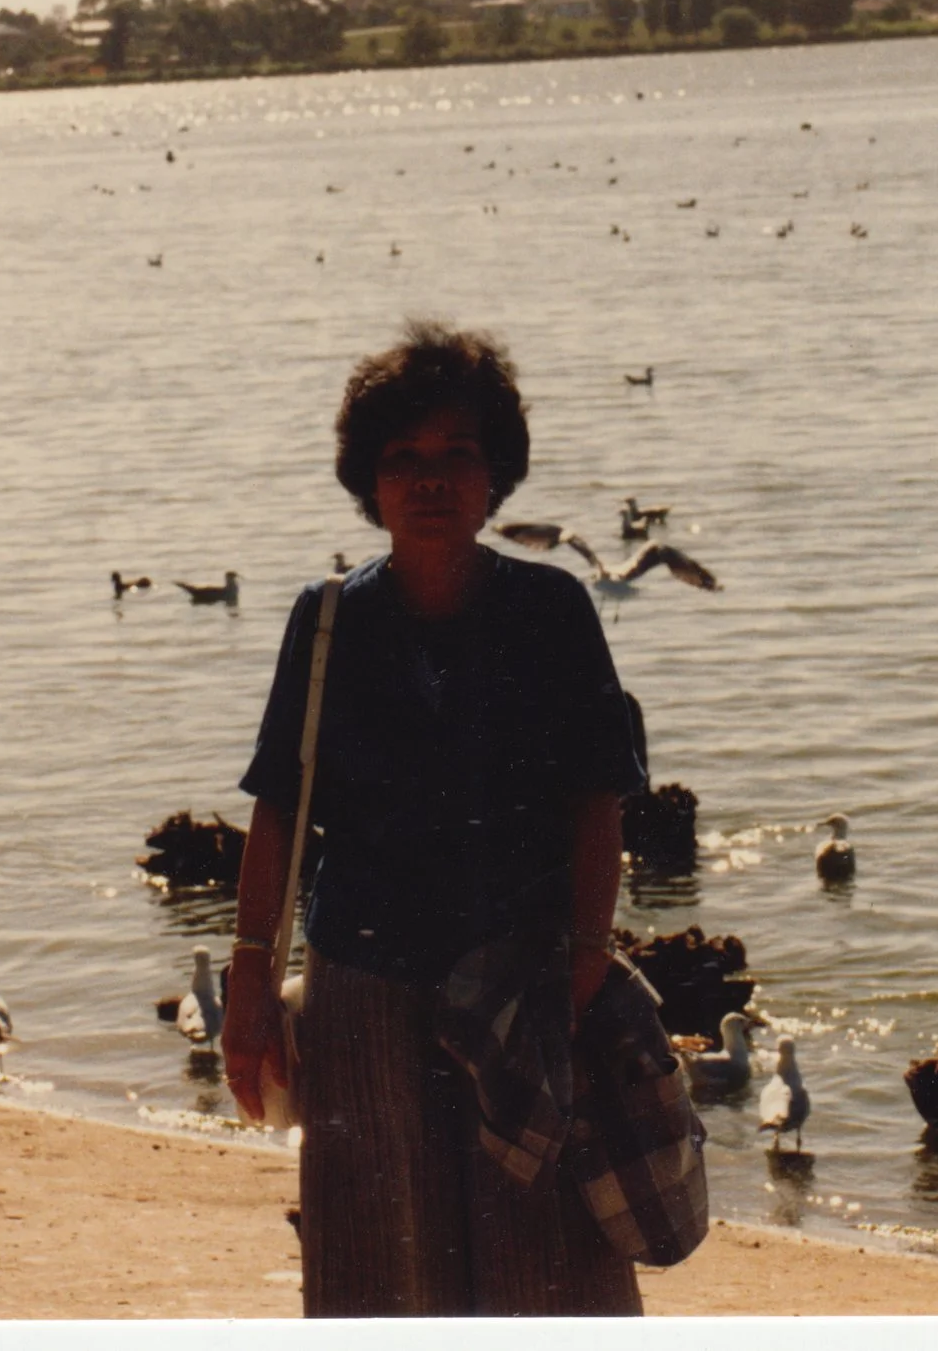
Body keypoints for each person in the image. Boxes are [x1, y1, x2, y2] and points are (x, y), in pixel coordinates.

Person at [223, 320, 646, 1316]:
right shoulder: (327, 621)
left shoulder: (552, 611)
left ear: (494, 475)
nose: (428, 480)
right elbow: (277, 810)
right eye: (402, 459)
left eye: (455, 455)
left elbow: (600, 798)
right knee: (380, 1260)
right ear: (367, 483)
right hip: (363, 984)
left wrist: (586, 955)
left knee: (544, 1260)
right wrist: (247, 983)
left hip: (525, 977)